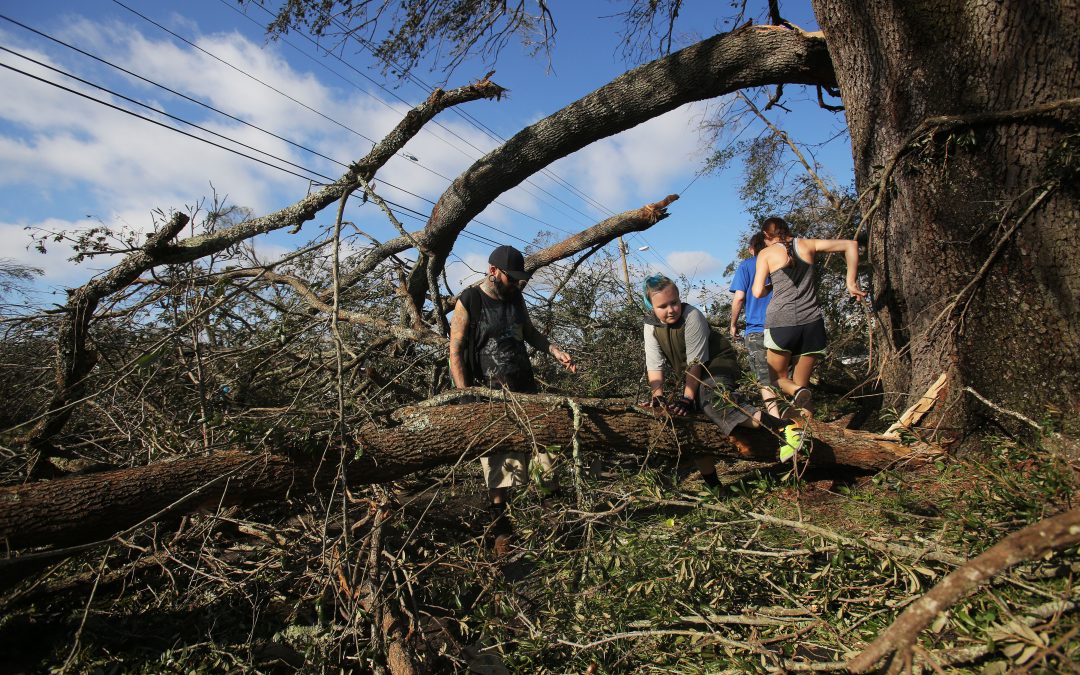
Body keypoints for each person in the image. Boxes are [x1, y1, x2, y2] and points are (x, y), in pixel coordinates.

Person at [448, 245, 577, 552]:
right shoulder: (469, 300)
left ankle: (555, 521)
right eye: (512, 278)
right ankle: (501, 528)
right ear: (494, 271)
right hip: (490, 394)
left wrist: (556, 351)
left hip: (526, 388)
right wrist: (467, 397)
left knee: (543, 451)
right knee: (500, 461)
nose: (517, 283)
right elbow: (454, 351)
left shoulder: (515, 297)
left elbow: (530, 332)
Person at [642, 274, 802, 484]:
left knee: (711, 399)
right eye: (663, 306)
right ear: (651, 307)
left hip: (716, 365)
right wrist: (658, 397)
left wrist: (688, 399)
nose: (671, 309)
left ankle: (786, 426)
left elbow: (695, 363)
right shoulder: (651, 325)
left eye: (674, 302)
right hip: (693, 374)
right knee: (690, 425)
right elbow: (654, 365)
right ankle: (715, 487)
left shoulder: (692, 316)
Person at [752, 216, 867, 431]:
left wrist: (770, 284)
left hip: (781, 324)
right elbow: (850, 245)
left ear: (767, 236)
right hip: (812, 323)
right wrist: (850, 282)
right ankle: (808, 434)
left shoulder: (766, 254)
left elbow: (757, 292)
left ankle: (795, 395)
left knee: (777, 380)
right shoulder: (807, 244)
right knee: (803, 386)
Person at [729, 232, 780, 418]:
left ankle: (777, 421)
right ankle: (799, 418)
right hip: (784, 327)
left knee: (765, 380)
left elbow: (739, 297)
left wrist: (733, 324)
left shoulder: (747, 265)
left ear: (751, 249)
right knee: (785, 378)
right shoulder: (780, 262)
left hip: (757, 330)